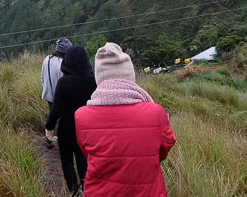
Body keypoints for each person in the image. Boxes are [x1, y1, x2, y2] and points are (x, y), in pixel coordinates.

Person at [75, 42, 176, 197]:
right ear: (130, 76)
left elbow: (89, 154)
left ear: (99, 78)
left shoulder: (81, 116)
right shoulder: (155, 112)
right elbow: (164, 148)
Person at [44, 46, 96, 196]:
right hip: (85, 127)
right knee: (82, 156)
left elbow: (56, 109)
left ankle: (74, 189)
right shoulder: (92, 80)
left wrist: (49, 127)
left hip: (66, 128)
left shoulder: (63, 83)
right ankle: (86, 185)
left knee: (67, 160)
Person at [41, 37, 72, 111]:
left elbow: (42, 78)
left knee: (53, 117)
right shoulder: (63, 63)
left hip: (49, 96)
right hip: (61, 98)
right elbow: (66, 84)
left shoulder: (47, 59)